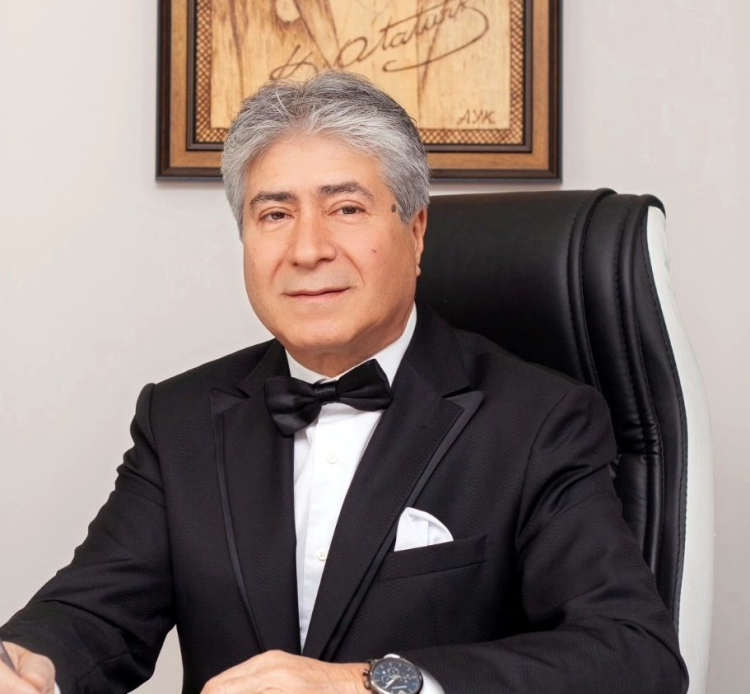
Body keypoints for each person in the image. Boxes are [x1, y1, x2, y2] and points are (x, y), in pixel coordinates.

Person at [0, 72, 687, 694]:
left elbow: (633, 655)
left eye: (347, 208)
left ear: (416, 232)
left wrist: (368, 685)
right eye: (275, 214)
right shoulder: (179, 418)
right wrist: (29, 663)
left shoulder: (540, 419)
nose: (307, 249)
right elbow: (93, 614)